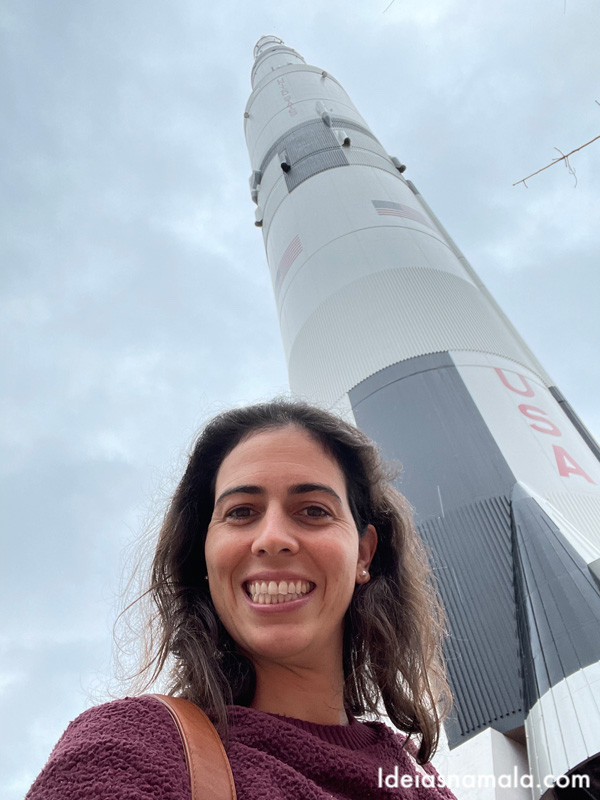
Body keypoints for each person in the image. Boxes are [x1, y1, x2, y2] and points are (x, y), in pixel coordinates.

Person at [26, 399, 457, 799]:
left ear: (363, 554)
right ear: (206, 556)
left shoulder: (420, 777)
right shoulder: (134, 744)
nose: (272, 539)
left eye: (313, 510)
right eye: (241, 512)